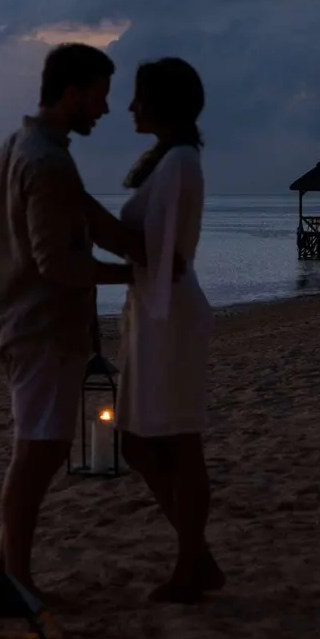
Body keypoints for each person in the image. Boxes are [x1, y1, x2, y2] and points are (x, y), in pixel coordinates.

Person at [0, 42, 135, 594]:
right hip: (41, 330)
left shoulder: (7, 153)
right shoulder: (46, 161)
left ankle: (5, 571)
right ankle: (15, 581)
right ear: (70, 93)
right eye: (98, 97)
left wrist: (123, 244)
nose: (105, 110)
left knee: (40, 448)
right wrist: (130, 276)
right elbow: (59, 263)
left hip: (21, 323)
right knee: (36, 454)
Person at [115, 57, 222, 603]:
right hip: (151, 314)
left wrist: (85, 218)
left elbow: (166, 258)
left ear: (163, 102)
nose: (131, 108)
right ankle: (195, 555)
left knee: (180, 443)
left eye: (139, 98)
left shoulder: (180, 162)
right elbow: (151, 257)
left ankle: (191, 562)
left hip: (169, 316)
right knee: (137, 443)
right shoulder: (169, 161)